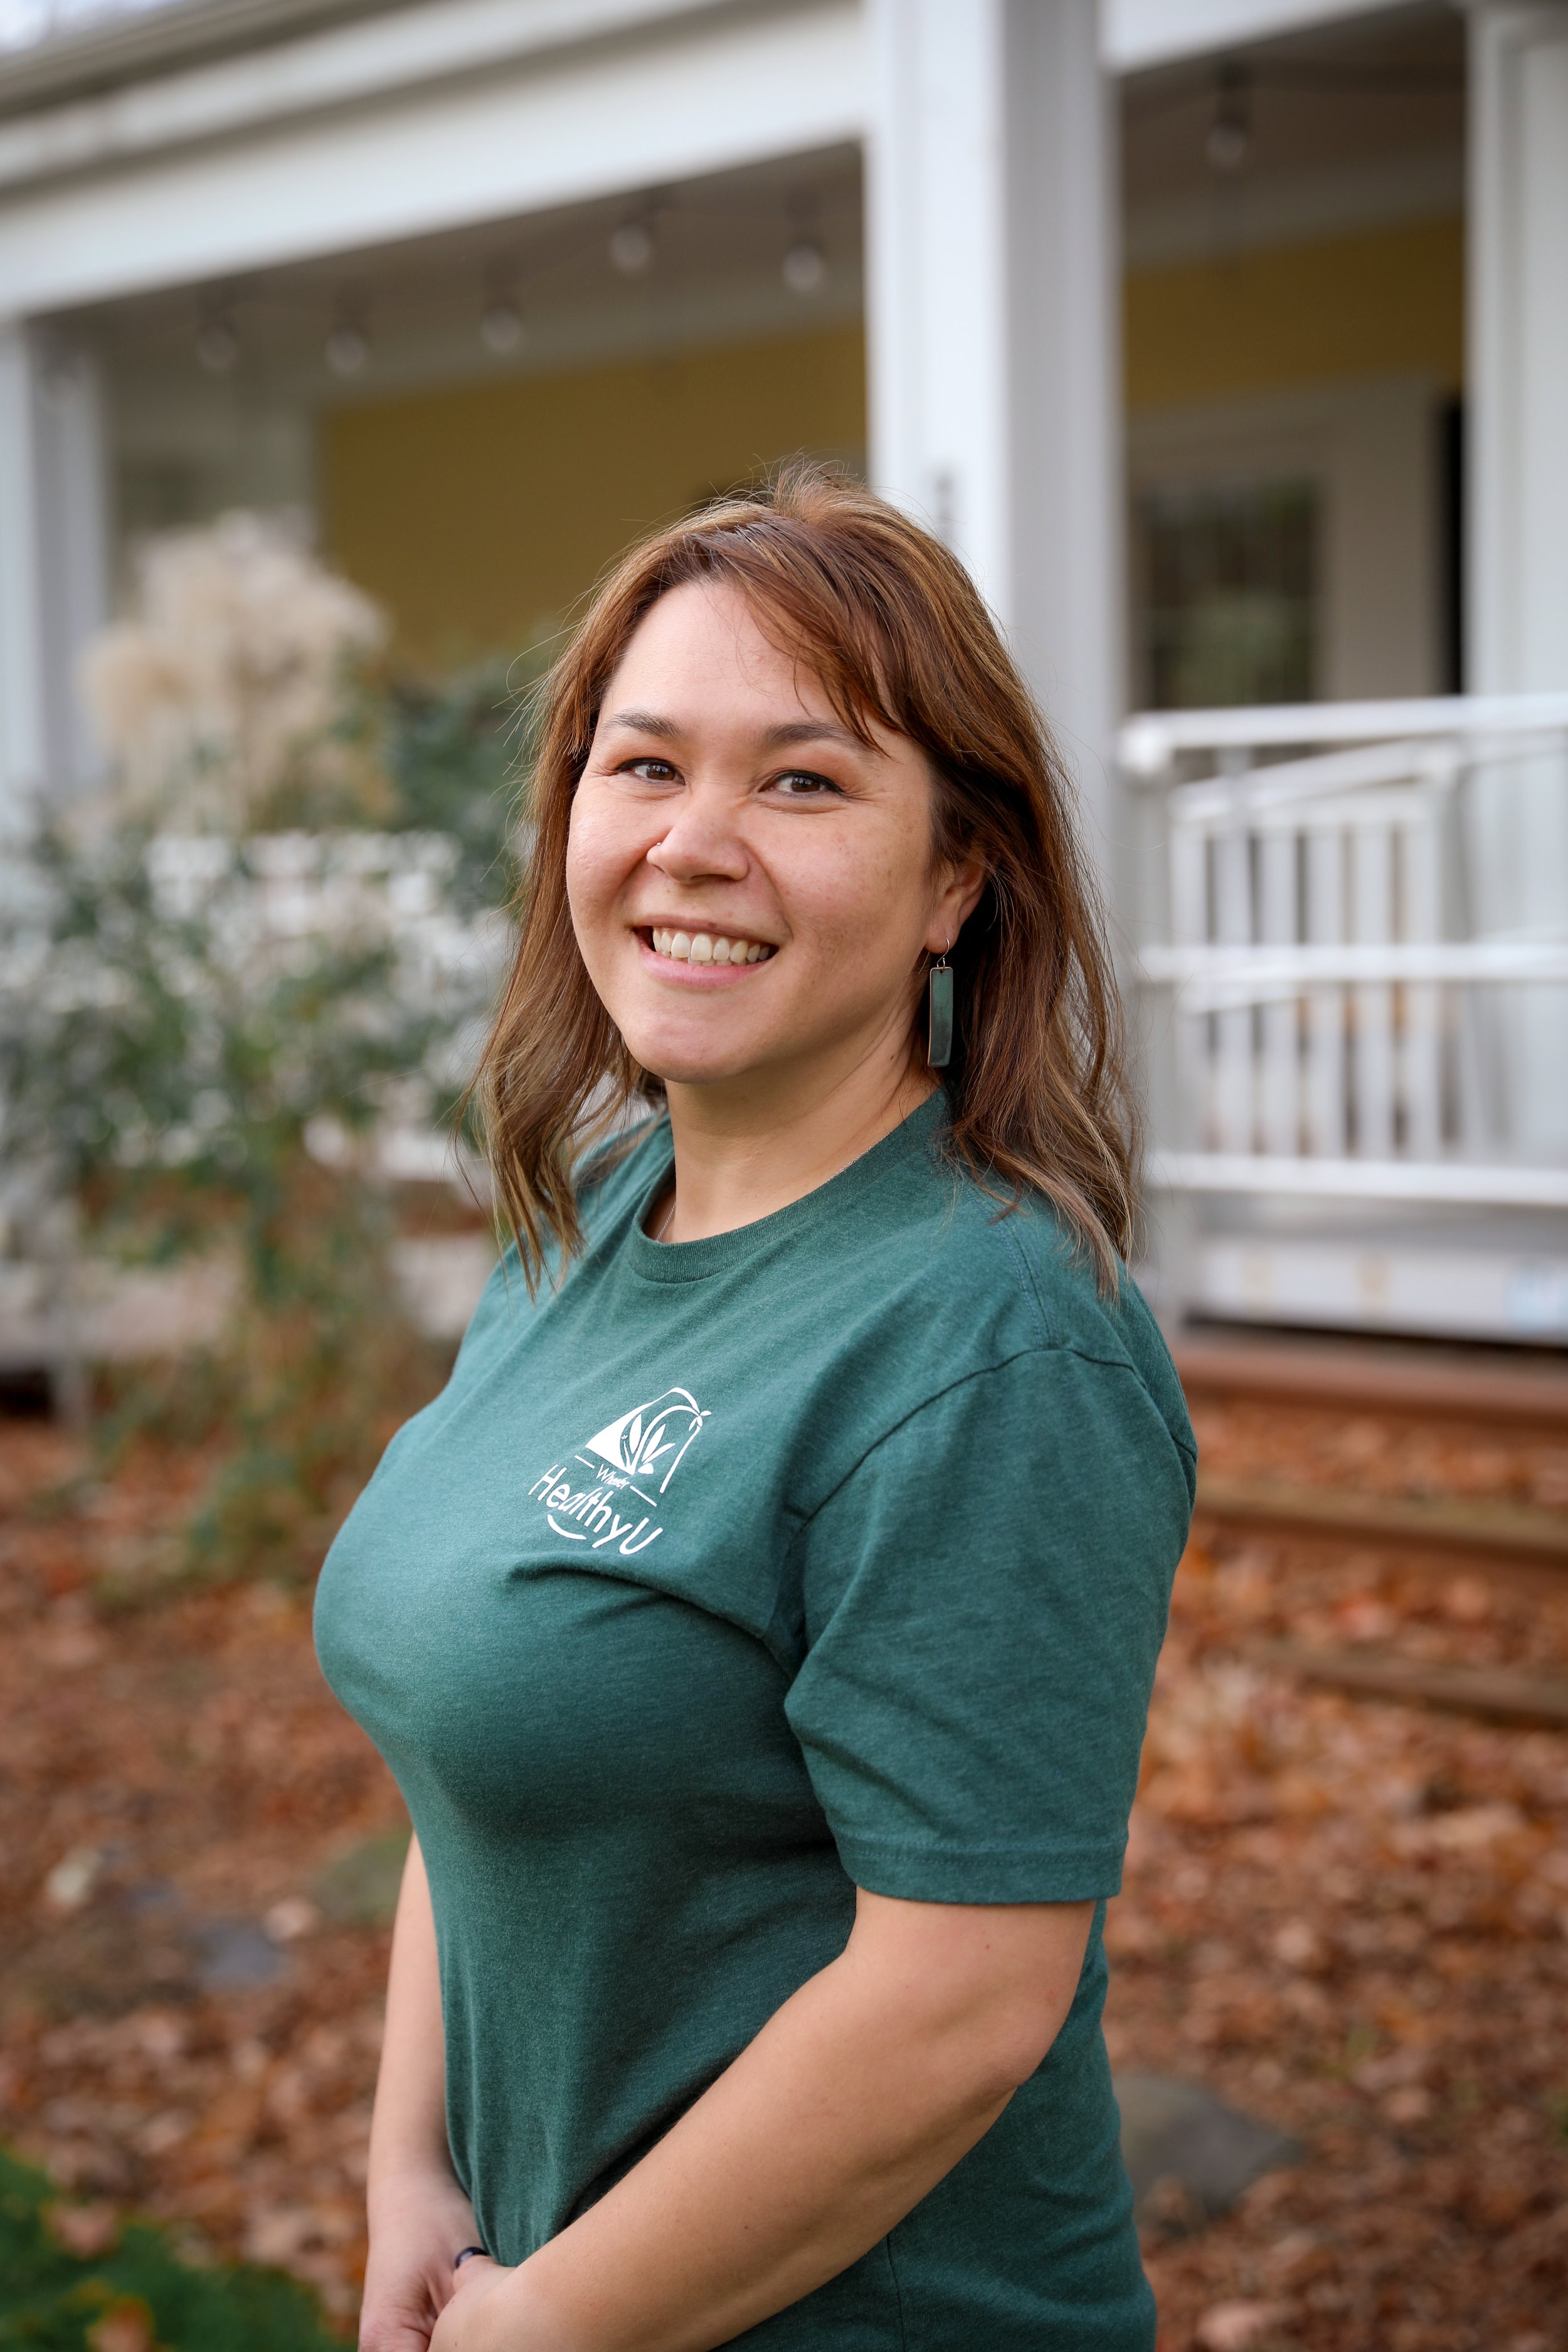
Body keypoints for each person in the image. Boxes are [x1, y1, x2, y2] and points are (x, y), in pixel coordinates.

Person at [315, 465, 1195, 2352]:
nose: (693, 844)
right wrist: (422, 2174)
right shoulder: (591, 1218)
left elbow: (955, 2001)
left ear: (957, 873)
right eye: (643, 767)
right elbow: (490, 1761)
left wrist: (554, 2324)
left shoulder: (990, 1339)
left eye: (800, 781)